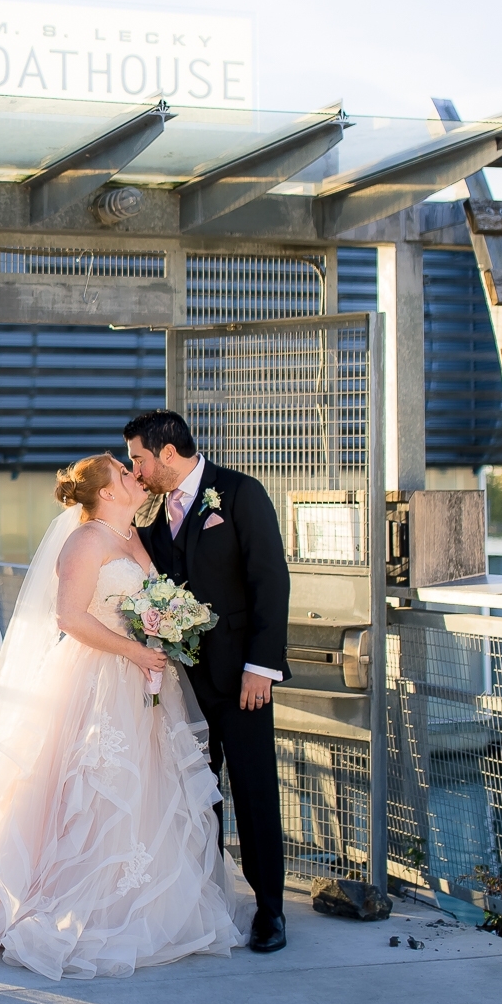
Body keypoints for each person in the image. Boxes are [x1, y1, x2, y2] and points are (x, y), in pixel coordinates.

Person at [0, 452, 243, 980]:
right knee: (86, 790)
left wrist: (162, 630)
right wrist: (134, 651)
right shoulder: (86, 540)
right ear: (105, 492)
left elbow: (145, 603)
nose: (134, 475)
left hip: (142, 680)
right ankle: (64, 897)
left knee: (143, 789)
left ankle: (132, 899)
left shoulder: (133, 538)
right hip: (97, 679)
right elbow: (69, 617)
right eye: (124, 473)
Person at [124, 409, 291, 954]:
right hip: (180, 683)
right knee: (197, 795)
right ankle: (209, 900)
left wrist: (261, 667)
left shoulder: (240, 494)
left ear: (168, 452)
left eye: (140, 458)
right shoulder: (147, 507)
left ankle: (271, 911)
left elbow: (270, 581)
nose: (137, 470)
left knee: (254, 790)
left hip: (241, 678)